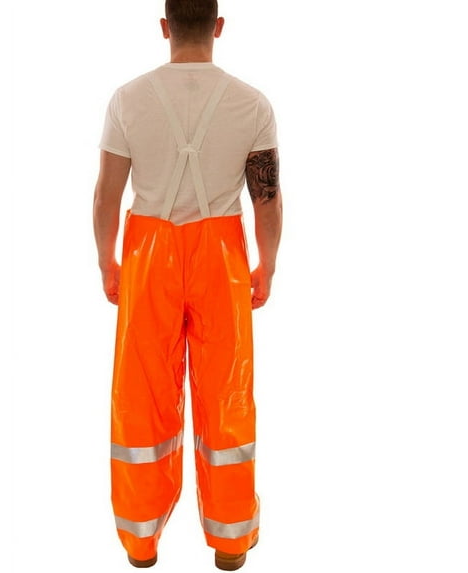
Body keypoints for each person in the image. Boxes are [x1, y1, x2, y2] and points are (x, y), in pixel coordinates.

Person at [93, 1, 282, 569]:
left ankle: (141, 541)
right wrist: (267, 264)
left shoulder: (128, 99)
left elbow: (106, 195)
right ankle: (230, 541)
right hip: (220, 256)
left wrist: (107, 261)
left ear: (165, 27)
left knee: (142, 393)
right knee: (227, 392)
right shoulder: (252, 103)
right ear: (218, 26)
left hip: (148, 253)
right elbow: (267, 199)